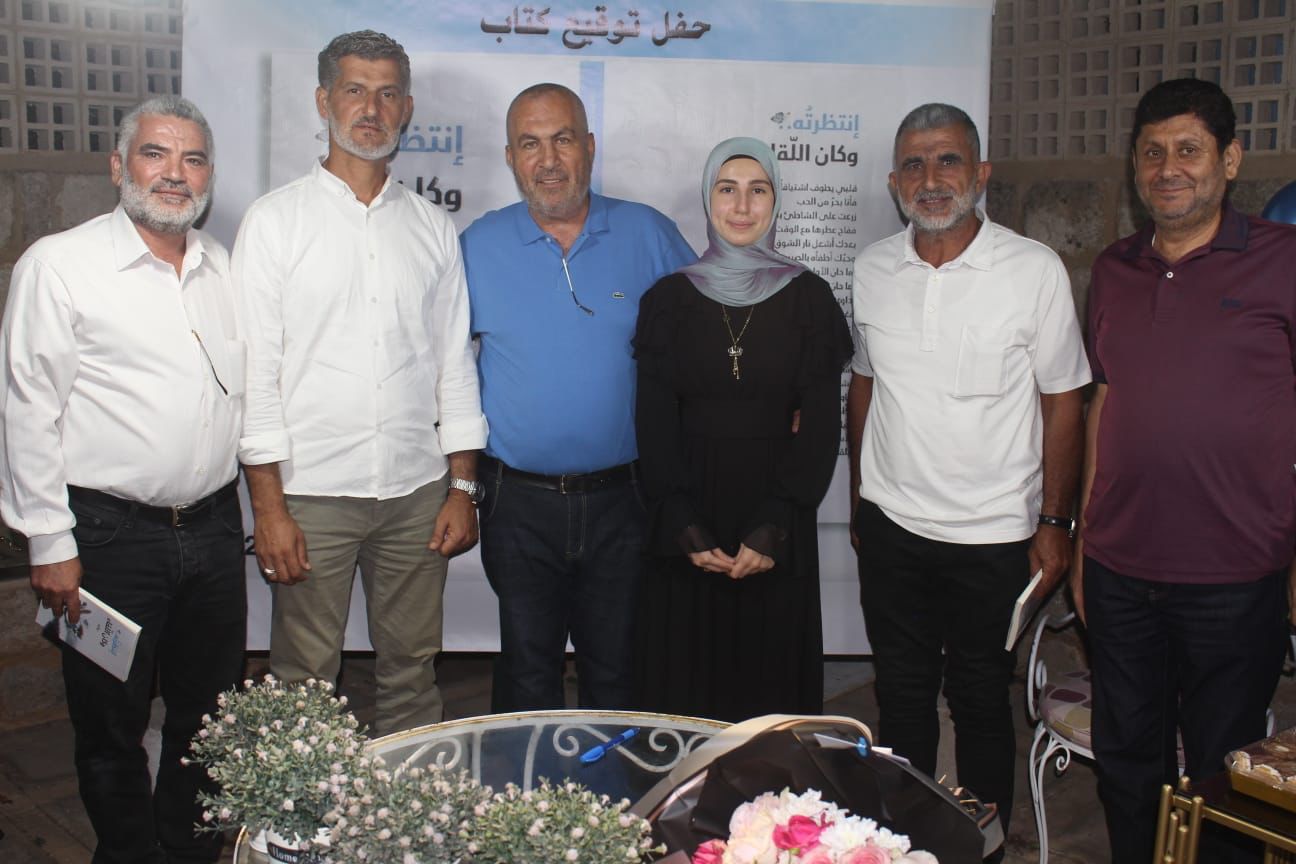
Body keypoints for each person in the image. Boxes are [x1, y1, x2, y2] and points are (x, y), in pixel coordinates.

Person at [0, 96, 244, 863]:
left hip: (213, 530)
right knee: (110, 724)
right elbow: (27, 410)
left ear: (208, 175)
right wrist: (49, 542)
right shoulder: (59, 266)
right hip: (108, 540)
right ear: (118, 166)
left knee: (209, 719)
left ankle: (190, 849)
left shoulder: (223, 267)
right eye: (155, 154)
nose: (175, 173)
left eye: (192, 159)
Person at [847, 102, 1090, 840]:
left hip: (994, 535)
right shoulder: (872, 268)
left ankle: (979, 847)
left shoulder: (1033, 270)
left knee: (981, 699)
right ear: (894, 183)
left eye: (947, 160)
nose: (931, 178)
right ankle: (902, 844)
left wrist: (1055, 523)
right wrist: (861, 496)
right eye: (914, 165)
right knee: (902, 697)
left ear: (980, 173)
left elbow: (1064, 401)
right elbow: (864, 383)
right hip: (893, 527)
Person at [234, 30, 487, 735]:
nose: (370, 109)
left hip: (416, 493)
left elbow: (454, 366)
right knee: (303, 682)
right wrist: (269, 509)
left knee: (413, 673)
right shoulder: (275, 222)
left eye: (386, 93)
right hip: (310, 492)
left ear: (406, 108)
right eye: (354, 90)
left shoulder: (432, 228)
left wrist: (462, 489)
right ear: (324, 101)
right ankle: (302, 807)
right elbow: (255, 377)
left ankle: (408, 802)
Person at [1074, 77, 1296, 864]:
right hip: (1120, 570)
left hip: (1236, 576)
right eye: (1152, 152)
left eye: (1188, 150)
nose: (1168, 168)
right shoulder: (1114, 268)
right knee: (1126, 766)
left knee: (1224, 779)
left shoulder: (1284, 261)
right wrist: (1083, 543)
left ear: (1230, 160)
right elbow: (1104, 402)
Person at [460, 83, 695, 711]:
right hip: (516, 504)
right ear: (510, 158)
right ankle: (524, 780)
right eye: (530, 144)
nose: (548, 160)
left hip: (625, 501)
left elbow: (705, 342)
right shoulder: (477, 246)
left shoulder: (648, 233)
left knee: (618, 674)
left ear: (589, 146)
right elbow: (443, 369)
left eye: (562, 139)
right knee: (525, 675)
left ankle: (614, 779)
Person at [633, 138, 851, 722]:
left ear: (775, 202)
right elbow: (653, 420)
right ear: (709, 198)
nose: (742, 205)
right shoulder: (669, 299)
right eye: (727, 189)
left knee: (768, 700)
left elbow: (820, 425)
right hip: (687, 519)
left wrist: (775, 525)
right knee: (685, 695)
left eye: (759, 190)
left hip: (776, 516)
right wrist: (681, 522)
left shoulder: (809, 298)